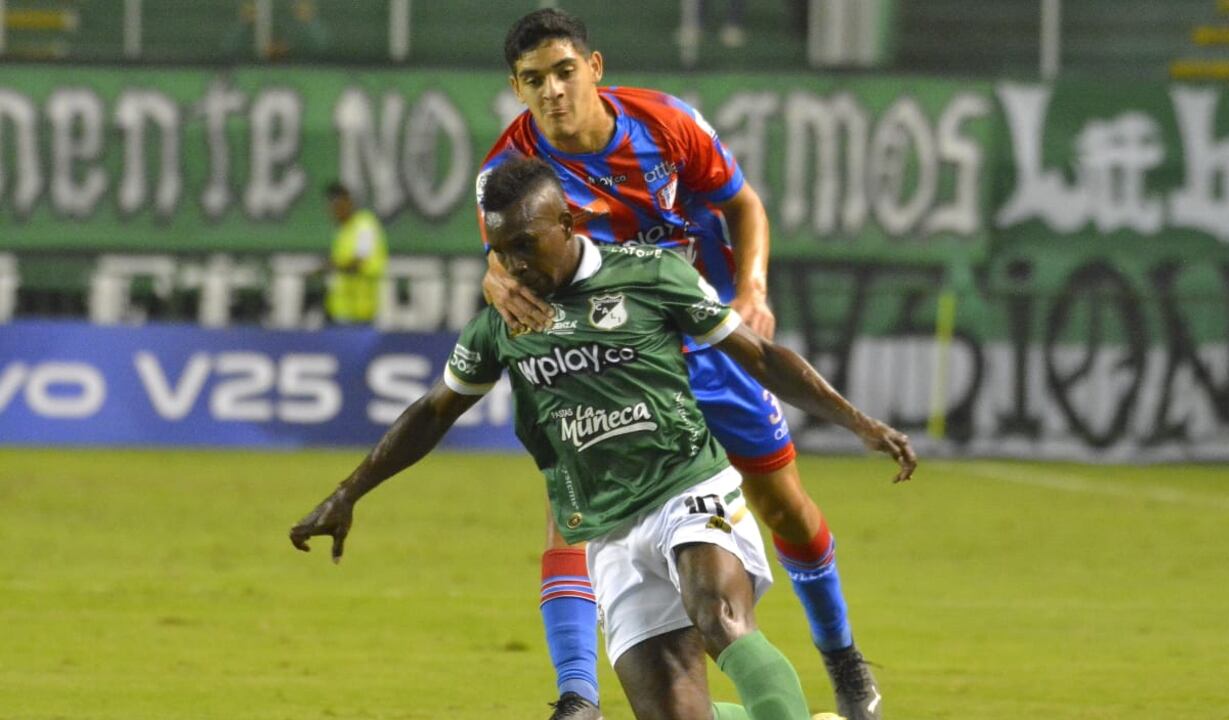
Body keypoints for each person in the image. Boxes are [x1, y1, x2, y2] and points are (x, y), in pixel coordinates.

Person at [289, 157, 916, 720]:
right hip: (605, 527)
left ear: (568, 222)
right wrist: (348, 493)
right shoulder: (500, 324)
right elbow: (432, 413)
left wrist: (857, 420)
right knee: (674, 711)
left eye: (526, 245)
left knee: (719, 616)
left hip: (688, 488)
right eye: (501, 251)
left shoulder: (650, 275)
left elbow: (760, 357)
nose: (513, 267)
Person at [479, 9, 885, 719]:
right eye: (534, 80)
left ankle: (844, 660)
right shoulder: (510, 171)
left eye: (564, 71)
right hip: (609, 358)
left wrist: (752, 288)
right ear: (517, 88)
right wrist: (493, 277)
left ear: (594, 68)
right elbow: (500, 253)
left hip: (704, 335)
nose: (553, 91)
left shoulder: (666, 125)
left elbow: (743, 204)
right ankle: (577, 697)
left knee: (781, 502)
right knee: (570, 510)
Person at [322, 182, 387, 325]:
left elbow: (359, 262)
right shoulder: (342, 230)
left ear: (348, 202)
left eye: (337, 205)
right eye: (331, 206)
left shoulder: (365, 225)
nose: (334, 211)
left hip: (362, 312)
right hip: (341, 312)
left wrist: (331, 266)